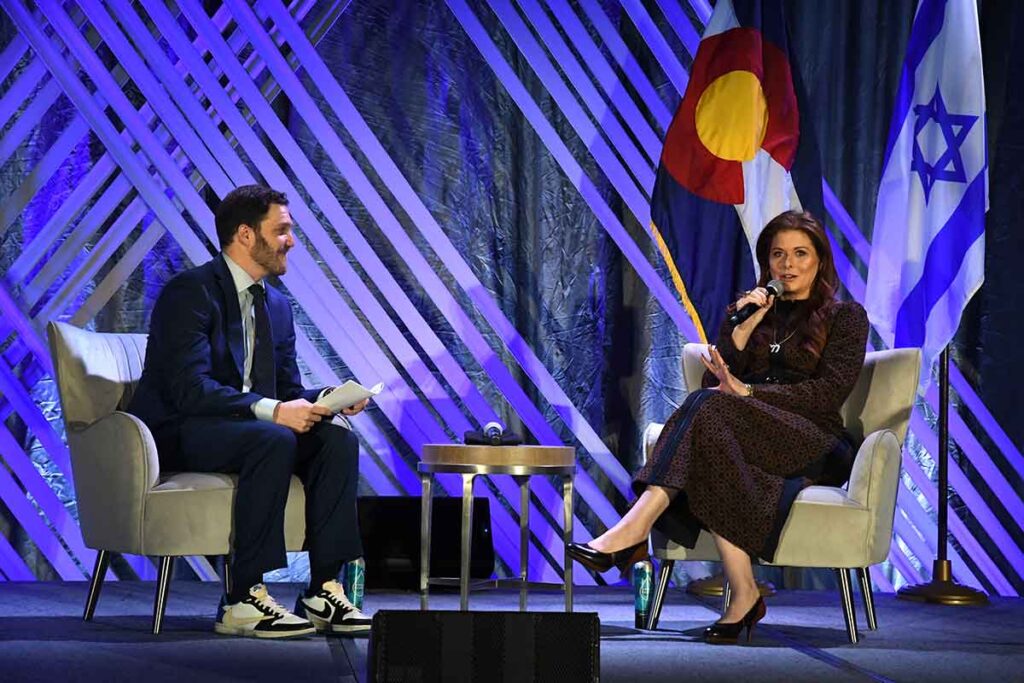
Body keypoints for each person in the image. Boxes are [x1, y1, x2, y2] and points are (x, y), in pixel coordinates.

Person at [567, 210, 869, 644]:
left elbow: (827, 394)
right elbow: (714, 384)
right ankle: (744, 593)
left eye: (800, 254)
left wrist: (748, 394)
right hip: (746, 432)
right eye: (777, 254)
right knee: (711, 428)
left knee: (710, 412)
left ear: (820, 261)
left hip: (813, 438)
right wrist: (744, 328)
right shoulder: (755, 313)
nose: (787, 264)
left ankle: (633, 531)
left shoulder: (845, 317)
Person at [129, 185, 372, 639]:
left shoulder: (276, 305)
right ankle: (242, 599)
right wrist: (275, 411)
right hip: (183, 431)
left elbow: (288, 391)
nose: (291, 241)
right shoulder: (191, 292)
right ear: (245, 234)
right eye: (281, 230)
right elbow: (190, 389)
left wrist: (332, 397)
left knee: (336, 439)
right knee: (274, 436)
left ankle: (323, 588)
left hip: (246, 429)